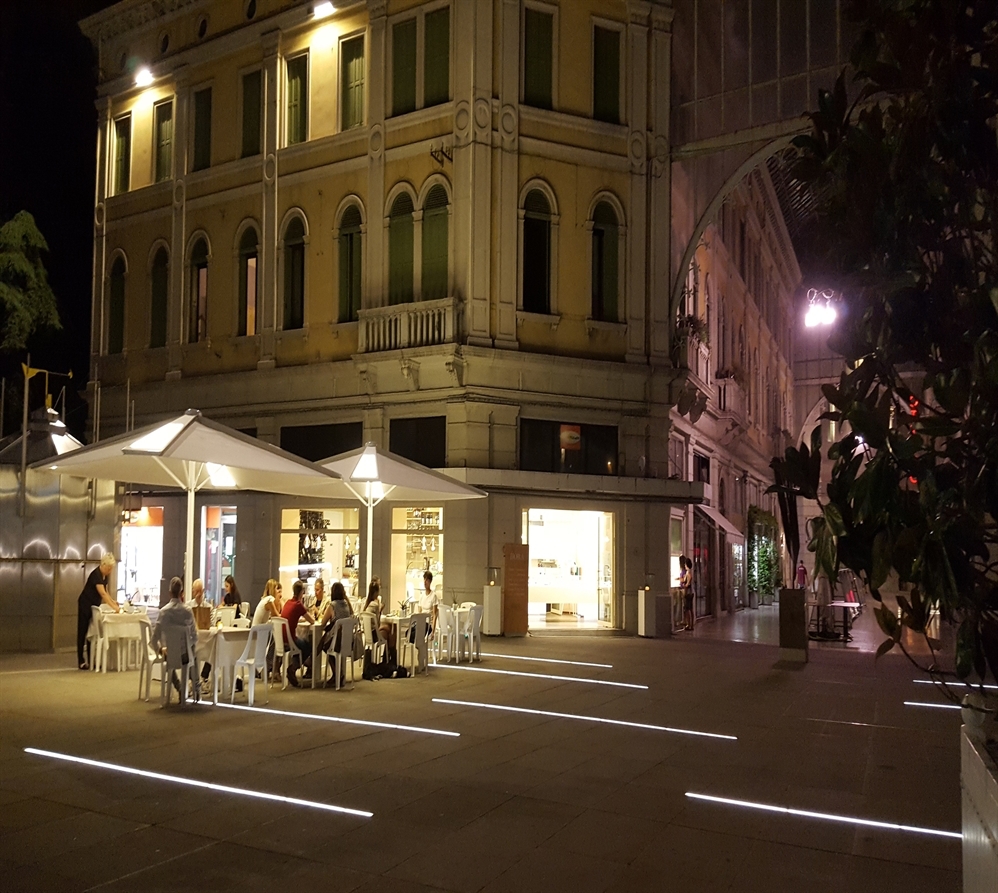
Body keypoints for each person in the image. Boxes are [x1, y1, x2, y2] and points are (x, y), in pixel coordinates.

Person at [152, 576, 199, 698]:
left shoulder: (163, 612)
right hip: (185, 655)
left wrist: (160, 650)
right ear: (182, 593)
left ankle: (179, 687)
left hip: (170, 653)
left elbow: (154, 639)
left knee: (168, 657)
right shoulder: (188, 611)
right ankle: (196, 687)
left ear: (169, 593)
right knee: (193, 652)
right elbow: (195, 636)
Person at [77, 553, 119, 669]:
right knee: (83, 632)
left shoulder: (105, 576)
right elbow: (102, 593)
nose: (110, 570)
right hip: (85, 604)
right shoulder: (96, 575)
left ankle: (91, 660)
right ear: (103, 565)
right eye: (109, 568)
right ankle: (81, 660)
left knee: (92, 632)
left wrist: (113, 601)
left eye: (111, 568)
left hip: (94, 606)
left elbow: (106, 591)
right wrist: (114, 608)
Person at [280, 580, 310, 686]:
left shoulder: (288, 602)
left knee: (301, 645)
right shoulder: (298, 604)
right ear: (302, 592)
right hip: (290, 640)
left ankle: (298, 666)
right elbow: (312, 621)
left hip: (281, 639)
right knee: (308, 646)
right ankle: (293, 668)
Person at [363, 576, 396, 663]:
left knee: (388, 629)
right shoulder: (375, 604)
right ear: (376, 592)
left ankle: (388, 657)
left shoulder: (367, 604)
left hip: (368, 633)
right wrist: (380, 610)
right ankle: (390, 657)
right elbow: (377, 622)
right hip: (374, 633)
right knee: (391, 629)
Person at [679, 555, 695, 632]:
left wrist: (683, 587)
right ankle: (691, 624)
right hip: (691, 592)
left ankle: (689, 624)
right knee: (691, 609)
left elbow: (688, 584)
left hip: (688, 593)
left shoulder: (688, 573)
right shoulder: (690, 572)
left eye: (685, 564)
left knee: (687, 609)